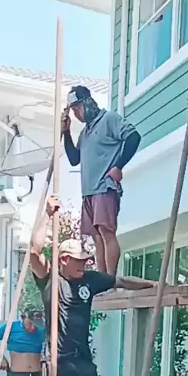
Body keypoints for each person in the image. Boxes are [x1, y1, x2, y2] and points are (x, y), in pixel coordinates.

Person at [30, 196, 155, 376]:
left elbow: (122, 281)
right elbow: (34, 252)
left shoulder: (90, 280)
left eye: (86, 261)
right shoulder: (50, 279)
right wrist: (46, 215)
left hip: (82, 358)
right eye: (79, 261)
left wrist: (154, 285)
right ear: (64, 260)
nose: (84, 265)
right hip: (56, 358)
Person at [62, 85, 141, 275]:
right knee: (97, 237)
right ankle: (102, 279)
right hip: (88, 191)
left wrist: (118, 166)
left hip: (104, 187)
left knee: (106, 232)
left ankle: (110, 278)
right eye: (73, 110)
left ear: (88, 103)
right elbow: (74, 159)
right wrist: (66, 132)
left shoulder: (109, 119)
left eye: (78, 108)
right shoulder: (86, 132)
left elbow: (133, 137)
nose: (77, 114)